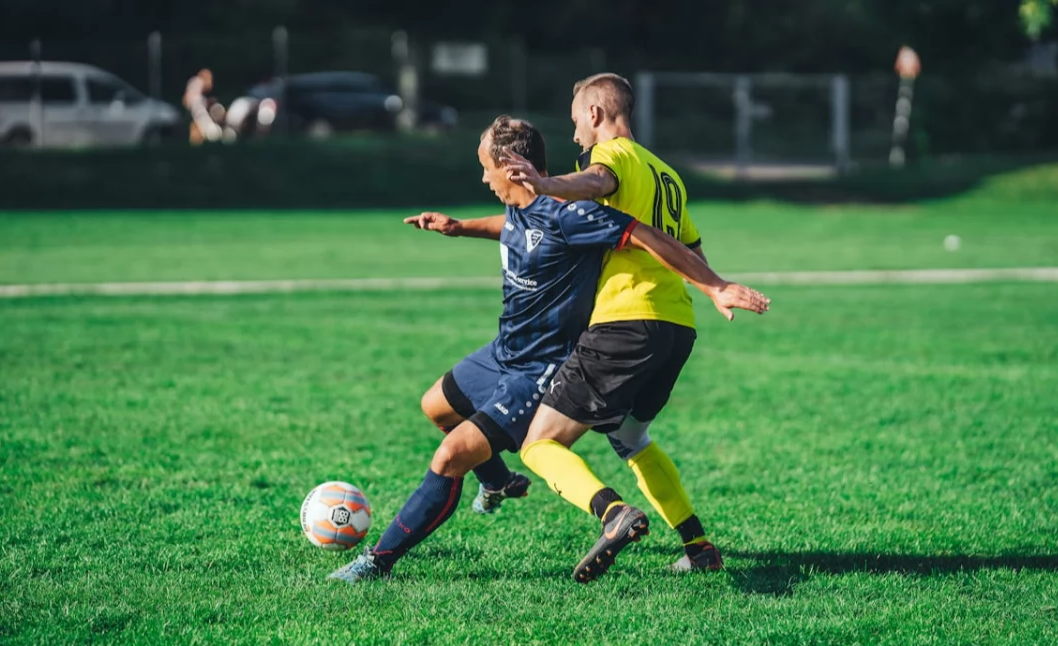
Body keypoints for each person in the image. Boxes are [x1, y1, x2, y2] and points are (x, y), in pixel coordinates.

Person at [328, 115, 768, 583]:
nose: (483, 179)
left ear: (510, 167)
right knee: (436, 406)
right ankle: (499, 482)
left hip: (538, 369)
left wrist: (713, 285)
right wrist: (459, 227)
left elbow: (646, 234)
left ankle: (377, 562)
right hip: (504, 351)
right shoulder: (521, 207)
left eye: (486, 168)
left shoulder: (567, 214)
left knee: (450, 457)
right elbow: (513, 226)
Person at [503, 73, 744, 582]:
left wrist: (546, 184)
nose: (574, 134)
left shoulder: (610, 156)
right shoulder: (666, 174)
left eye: (576, 121)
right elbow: (687, 249)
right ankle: (698, 547)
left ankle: (612, 513)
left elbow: (595, 181)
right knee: (631, 437)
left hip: (625, 321)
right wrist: (714, 288)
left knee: (538, 444)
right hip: (676, 326)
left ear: (594, 114)